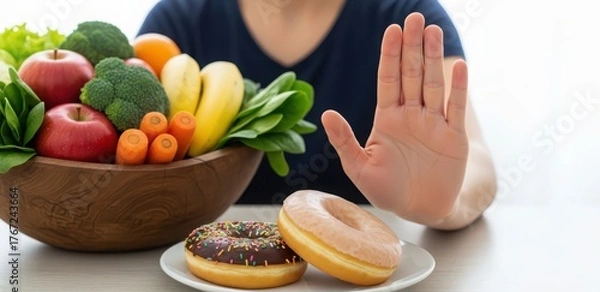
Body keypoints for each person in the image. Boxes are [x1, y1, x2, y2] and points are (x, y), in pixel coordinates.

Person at [138, 0, 497, 230]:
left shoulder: (409, 17)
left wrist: (442, 208)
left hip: (370, 288)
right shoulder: (175, 22)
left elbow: (476, 161)